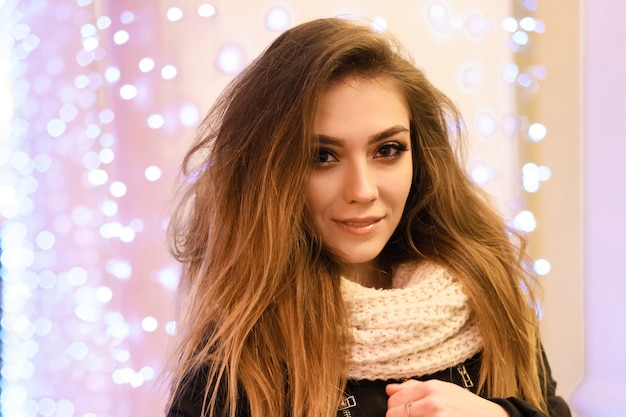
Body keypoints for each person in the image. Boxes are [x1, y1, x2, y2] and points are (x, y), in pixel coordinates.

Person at [164, 17, 571, 417]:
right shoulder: (237, 358)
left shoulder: (486, 290)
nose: (362, 190)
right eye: (321, 156)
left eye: (388, 150)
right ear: (268, 173)